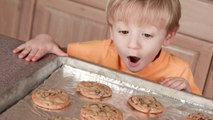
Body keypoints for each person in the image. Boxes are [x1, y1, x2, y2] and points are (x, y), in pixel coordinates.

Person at [13, 0, 201, 95]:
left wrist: (187, 93)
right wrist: (44, 38)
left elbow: (199, 110)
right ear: (111, 31)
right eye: (124, 32)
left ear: (168, 36)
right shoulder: (99, 51)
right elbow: (58, 52)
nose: (133, 44)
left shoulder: (179, 70)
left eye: (147, 35)